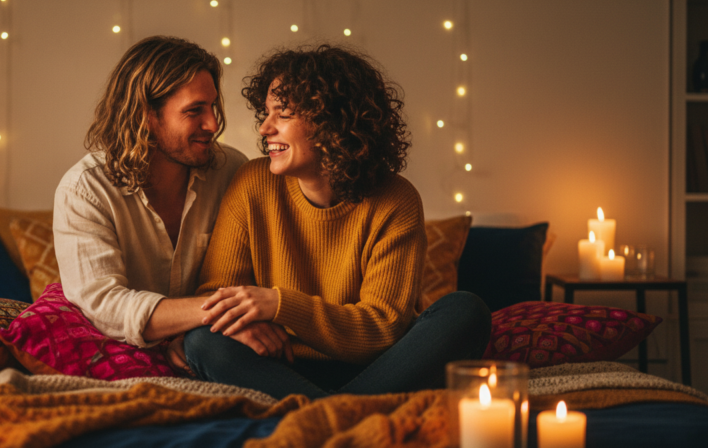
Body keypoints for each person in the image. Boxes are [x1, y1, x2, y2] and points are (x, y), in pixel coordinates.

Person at [181, 44, 493, 399]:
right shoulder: (253, 181)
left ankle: (318, 413)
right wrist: (242, 325)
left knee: (466, 310)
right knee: (202, 339)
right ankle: (345, 411)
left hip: (379, 366)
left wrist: (280, 304)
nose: (265, 128)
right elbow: (215, 296)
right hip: (280, 365)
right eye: (265, 113)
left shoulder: (396, 199)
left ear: (332, 121)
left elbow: (383, 327)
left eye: (282, 113)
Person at [54, 36, 286, 363]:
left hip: (212, 347)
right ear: (146, 115)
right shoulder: (86, 190)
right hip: (135, 353)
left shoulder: (232, 170)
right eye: (195, 111)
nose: (213, 124)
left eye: (212, 107)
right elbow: (106, 306)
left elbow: (258, 270)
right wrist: (211, 315)